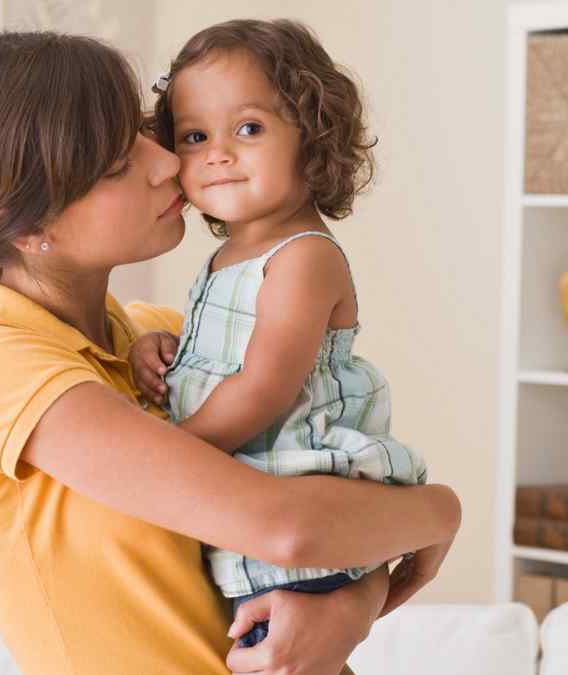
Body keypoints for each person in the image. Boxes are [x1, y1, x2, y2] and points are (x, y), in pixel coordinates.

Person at [0, 30, 461, 675]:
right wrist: (438, 513)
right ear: (29, 226)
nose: (169, 163)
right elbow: (291, 529)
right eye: (119, 164)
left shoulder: (170, 340)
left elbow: (321, 522)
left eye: (146, 134)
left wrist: (350, 605)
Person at [130, 19, 434, 654]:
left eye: (248, 129)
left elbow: (263, 388)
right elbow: (218, 358)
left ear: (313, 136)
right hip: (248, 533)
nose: (218, 154)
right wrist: (163, 351)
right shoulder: (230, 257)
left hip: (293, 545)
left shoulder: (303, 256)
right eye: (194, 136)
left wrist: (168, 457)